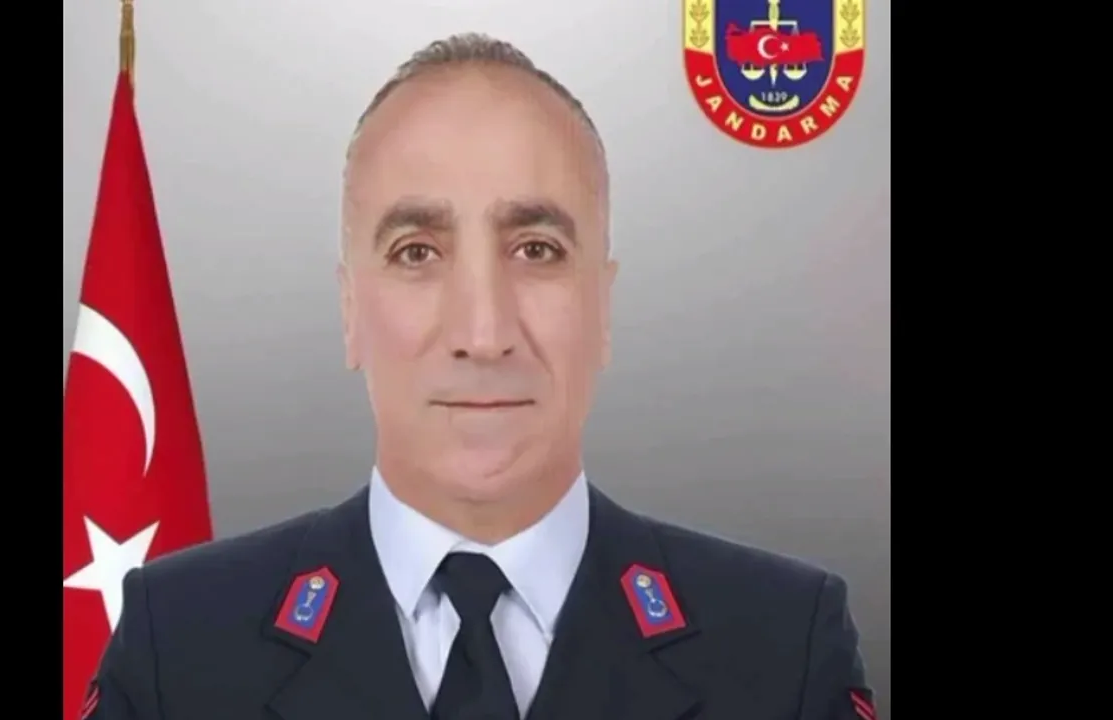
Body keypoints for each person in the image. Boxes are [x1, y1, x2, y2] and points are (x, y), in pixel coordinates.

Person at [82, 32, 877, 720]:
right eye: (416, 253)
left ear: (603, 307)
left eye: (537, 250)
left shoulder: (783, 648)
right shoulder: (177, 646)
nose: (484, 334)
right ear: (350, 310)